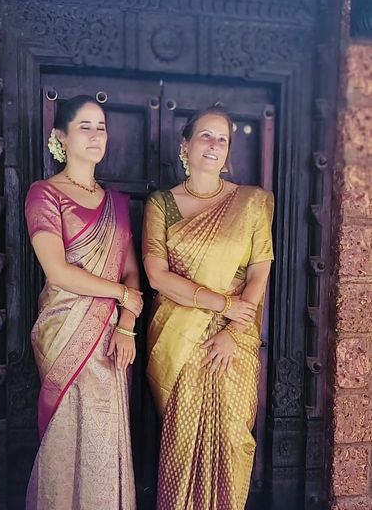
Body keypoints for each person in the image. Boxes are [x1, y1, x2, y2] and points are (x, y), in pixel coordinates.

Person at [142, 105, 274, 510]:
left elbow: (259, 270)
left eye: (222, 138)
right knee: (182, 439)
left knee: (233, 439)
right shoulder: (161, 204)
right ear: (185, 144)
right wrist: (224, 304)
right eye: (205, 135)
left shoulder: (251, 202)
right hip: (178, 339)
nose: (214, 144)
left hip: (235, 341)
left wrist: (233, 330)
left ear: (229, 150)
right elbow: (157, 276)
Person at [24, 95, 142, 510]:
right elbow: (57, 272)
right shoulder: (45, 195)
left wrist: (127, 323)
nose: (96, 136)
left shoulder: (118, 205)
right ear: (61, 137)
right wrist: (122, 295)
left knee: (104, 436)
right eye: (85, 127)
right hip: (65, 332)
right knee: (68, 433)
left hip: (111, 339)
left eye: (102, 127)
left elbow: (131, 273)